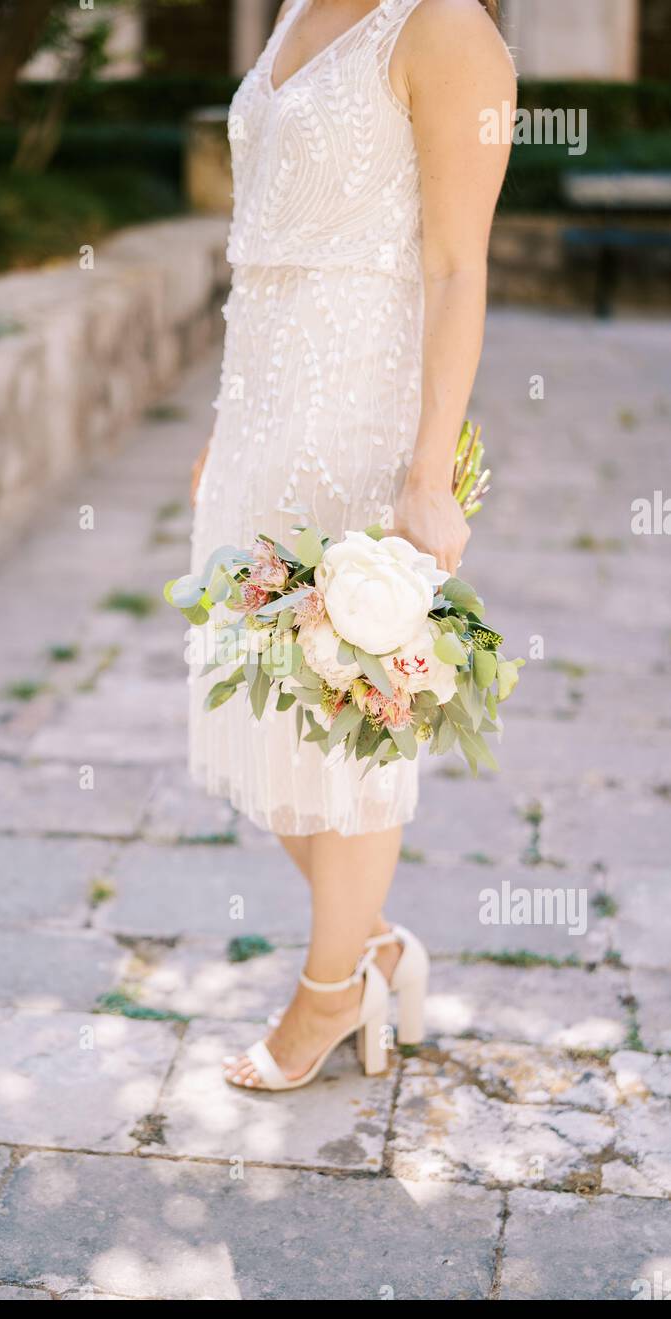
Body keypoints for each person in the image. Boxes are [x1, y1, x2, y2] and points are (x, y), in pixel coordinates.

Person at [188, 0, 515, 1090]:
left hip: (360, 428)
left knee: (350, 722)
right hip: (259, 415)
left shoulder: (443, 28)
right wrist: (219, 424)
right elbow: (262, 250)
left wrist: (426, 474)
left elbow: (458, 266)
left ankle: (328, 996)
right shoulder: (290, 14)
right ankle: (371, 949)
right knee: (261, 708)